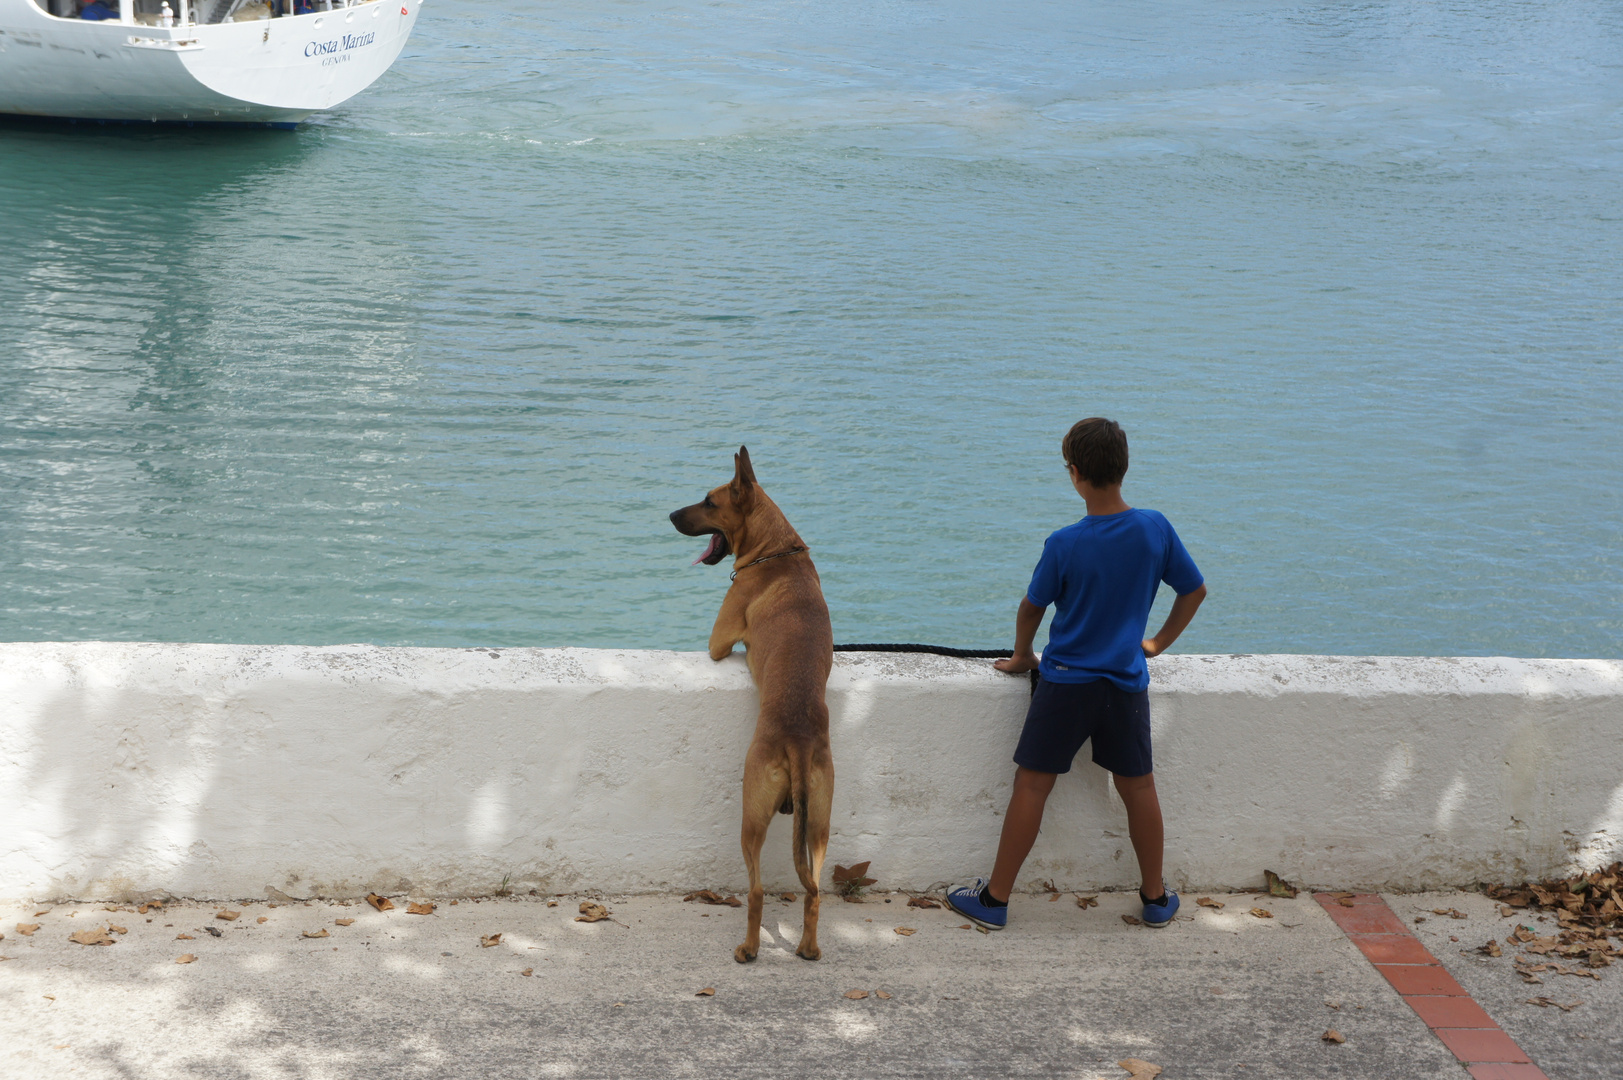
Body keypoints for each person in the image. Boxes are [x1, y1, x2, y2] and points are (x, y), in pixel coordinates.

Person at [946, 417, 1207, 931]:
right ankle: (1155, 897)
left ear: (1074, 472)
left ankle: (995, 900)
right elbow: (1193, 590)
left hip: (1066, 684)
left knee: (1032, 786)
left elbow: (1031, 608)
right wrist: (1155, 643)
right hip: (1125, 683)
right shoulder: (1155, 527)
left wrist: (1023, 655)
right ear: (1123, 467)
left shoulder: (1064, 543)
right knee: (1138, 788)